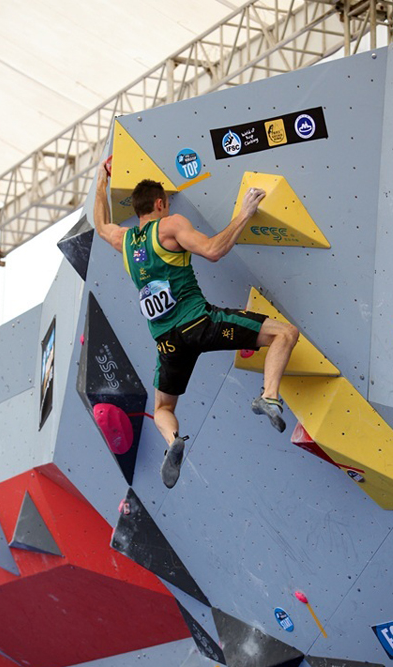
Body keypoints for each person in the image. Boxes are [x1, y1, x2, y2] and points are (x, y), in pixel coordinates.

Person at [93, 161, 299, 488]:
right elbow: (213, 250)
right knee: (285, 333)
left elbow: (101, 224)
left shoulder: (123, 240)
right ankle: (269, 396)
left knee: (163, 407)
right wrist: (244, 213)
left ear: (137, 209)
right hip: (200, 324)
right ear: (160, 203)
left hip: (167, 343)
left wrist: (101, 182)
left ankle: (173, 440)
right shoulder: (170, 225)